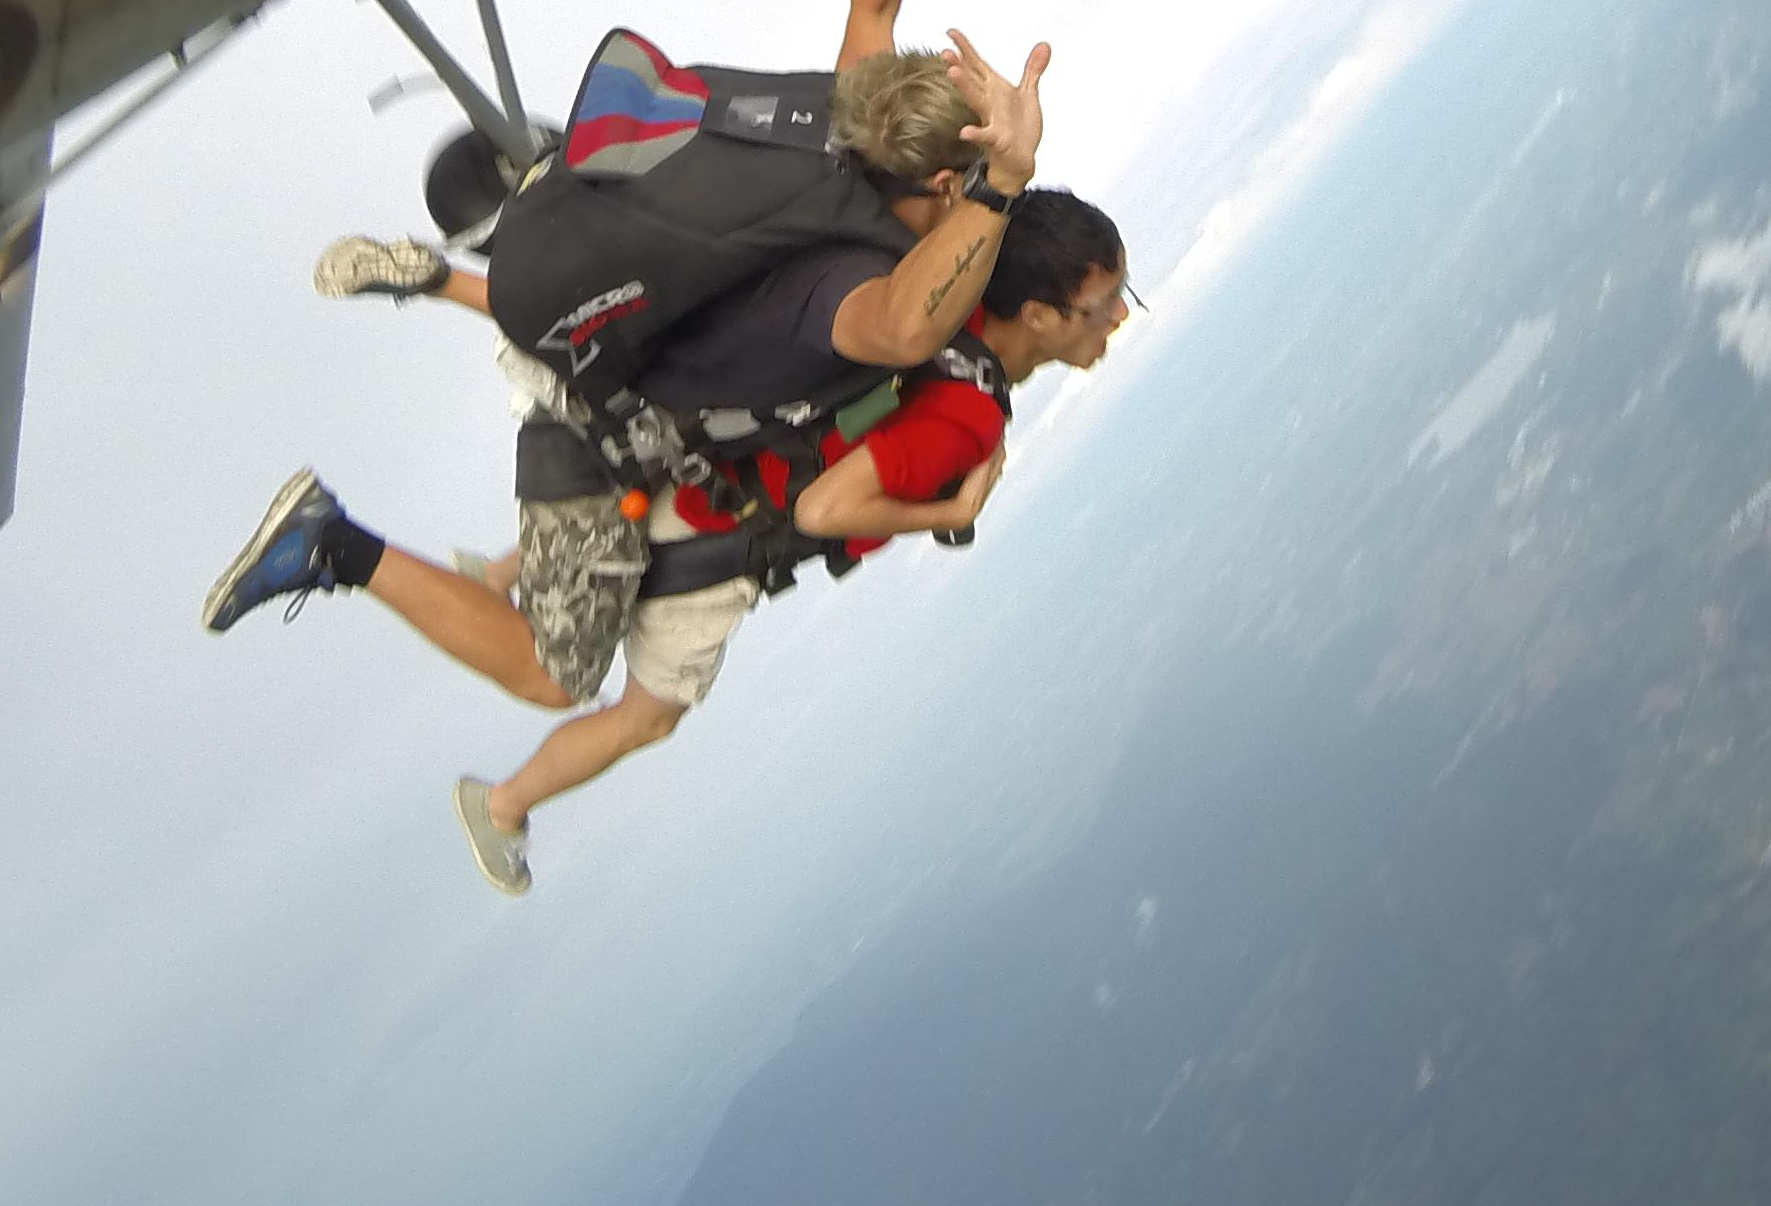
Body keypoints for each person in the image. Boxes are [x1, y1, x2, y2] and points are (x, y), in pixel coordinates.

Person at [216, 186, 1131, 896]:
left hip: (688, 431)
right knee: (594, 691)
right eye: (1103, 303)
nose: (1117, 318)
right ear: (1041, 317)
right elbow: (823, 512)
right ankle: (356, 577)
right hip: (719, 525)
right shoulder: (970, 417)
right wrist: (948, 508)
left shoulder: (941, 287)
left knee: (597, 457)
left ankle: (462, 366)